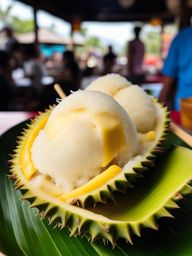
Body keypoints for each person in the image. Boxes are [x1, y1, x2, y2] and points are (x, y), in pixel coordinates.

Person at [159, 27, 192, 110]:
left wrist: (159, 105)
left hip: (185, 106)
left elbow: (168, 78)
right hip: (185, 105)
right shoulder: (183, 36)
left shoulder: (183, 36)